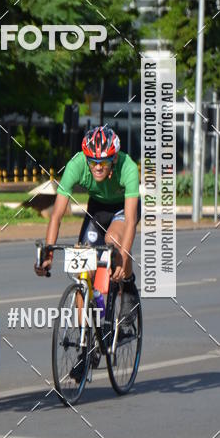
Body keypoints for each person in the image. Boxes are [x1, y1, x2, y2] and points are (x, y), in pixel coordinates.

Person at [35, 125, 140, 357]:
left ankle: (129, 285)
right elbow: (57, 214)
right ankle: (86, 344)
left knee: (113, 239)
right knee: (85, 269)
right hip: (98, 209)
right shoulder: (76, 164)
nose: (98, 167)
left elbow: (131, 221)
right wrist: (49, 253)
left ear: (113, 159)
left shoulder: (128, 167)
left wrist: (122, 256)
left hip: (123, 208)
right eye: (93, 162)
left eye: (103, 162)